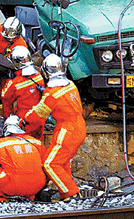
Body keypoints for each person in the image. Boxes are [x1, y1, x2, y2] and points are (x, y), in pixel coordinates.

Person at [25, 54, 87, 202]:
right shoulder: (70, 85)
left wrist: (24, 121)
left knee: (50, 163)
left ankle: (71, 192)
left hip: (67, 130)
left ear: (46, 73)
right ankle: (64, 193)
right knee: (62, 161)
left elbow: (38, 114)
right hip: (79, 126)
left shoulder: (51, 94)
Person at [0, 114, 47, 202]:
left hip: (13, 186)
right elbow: (47, 164)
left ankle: (1, 199)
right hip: (37, 186)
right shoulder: (36, 142)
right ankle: (30, 197)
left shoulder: (0, 144)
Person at [1, 46, 45, 139]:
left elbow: (6, 101)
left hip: (25, 121)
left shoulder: (15, 82)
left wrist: (8, 122)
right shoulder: (38, 75)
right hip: (40, 119)